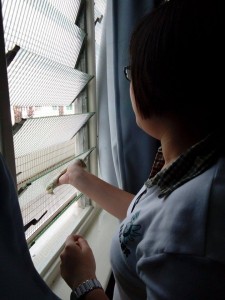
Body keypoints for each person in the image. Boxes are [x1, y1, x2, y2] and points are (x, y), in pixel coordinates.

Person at [59, 0, 225, 299]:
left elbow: (171, 230)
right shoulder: (195, 166)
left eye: (131, 70)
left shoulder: (193, 233)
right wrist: (80, 179)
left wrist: (85, 282)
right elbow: (147, 222)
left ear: (158, 79)